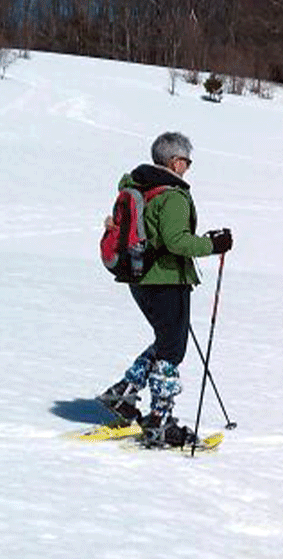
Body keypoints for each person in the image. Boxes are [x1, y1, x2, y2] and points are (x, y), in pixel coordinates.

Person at [96, 132, 232, 447]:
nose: (188, 166)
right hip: (166, 279)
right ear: (174, 161)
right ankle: (160, 421)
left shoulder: (140, 187)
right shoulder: (171, 195)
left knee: (165, 342)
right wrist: (213, 245)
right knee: (172, 351)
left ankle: (123, 394)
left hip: (140, 278)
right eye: (186, 160)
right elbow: (176, 241)